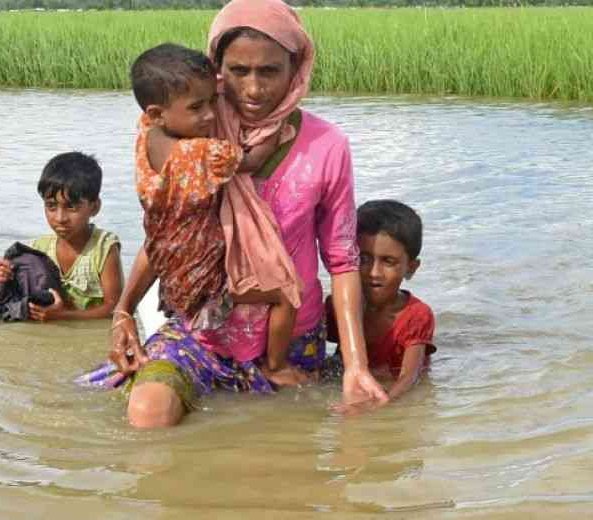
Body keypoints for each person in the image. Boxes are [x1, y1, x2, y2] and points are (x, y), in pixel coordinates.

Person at [91, 0, 388, 428]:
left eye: (269, 71)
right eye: (238, 71)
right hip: (199, 331)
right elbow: (170, 234)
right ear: (216, 69)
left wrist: (356, 365)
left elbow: (342, 261)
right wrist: (123, 311)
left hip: (286, 342)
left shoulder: (327, 145)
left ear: (296, 70)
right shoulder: (189, 132)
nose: (253, 89)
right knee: (149, 412)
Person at [127, 42, 303, 384]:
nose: (210, 115)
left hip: (171, 274)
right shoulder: (203, 154)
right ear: (157, 113)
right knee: (285, 294)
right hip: (204, 281)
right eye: (197, 107)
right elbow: (251, 161)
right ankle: (277, 367)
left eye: (213, 101)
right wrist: (281, 131)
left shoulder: (146, 137)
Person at [0, 152, 123, 321]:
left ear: (94, 207)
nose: (60, 218)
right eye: (51, 206)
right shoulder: (38, 250)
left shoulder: (103, 247)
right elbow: (16, 299)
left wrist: (64, 316)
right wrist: (3, 278)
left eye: (71, 207)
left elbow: (115, 308)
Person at [327, 200, 436, 404]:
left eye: (388, 262)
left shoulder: (416, 315)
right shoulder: (337, 307)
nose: (373, 273)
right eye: (364, 259)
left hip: (391, 389)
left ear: (411, 267)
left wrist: (379, 405)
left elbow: (409, 378)